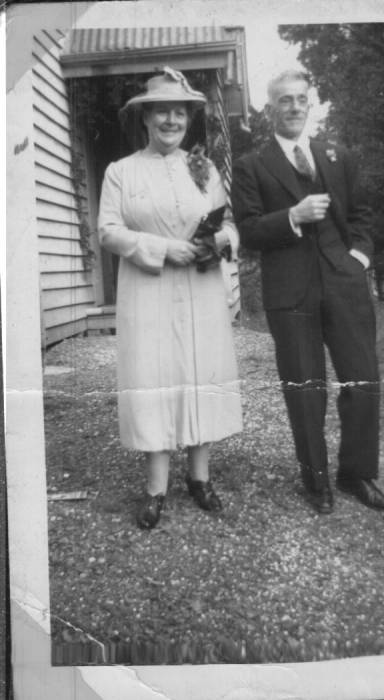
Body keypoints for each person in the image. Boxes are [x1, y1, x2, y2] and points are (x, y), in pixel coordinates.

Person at [231, 70, 384, 515]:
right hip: (291, 292)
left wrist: (358, 259)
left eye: (301, 99)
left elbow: (362, 214)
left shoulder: (335, 155)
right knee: (306, 389)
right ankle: (316, 481)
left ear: (310, 104)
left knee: (363, 381)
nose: (295, 107)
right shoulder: (252, 165)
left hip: (344, 282)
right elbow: (246, 229)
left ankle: (356, 474)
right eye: (285, 100)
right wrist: (293, 216)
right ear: (270, 109)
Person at [98, 68, 242, 529]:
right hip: (149, 289)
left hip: (200, 289)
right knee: (154, 374)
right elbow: (108, 231)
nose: (171, 120)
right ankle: (156, 488)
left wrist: (216, 242)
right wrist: (162, 248)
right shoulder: (121, 172)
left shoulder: (203, 169)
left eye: (179, 112)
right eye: (162, 111)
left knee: (200, 372)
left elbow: (229, 226)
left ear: (187, 119)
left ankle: (200, 478)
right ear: (145, 117)